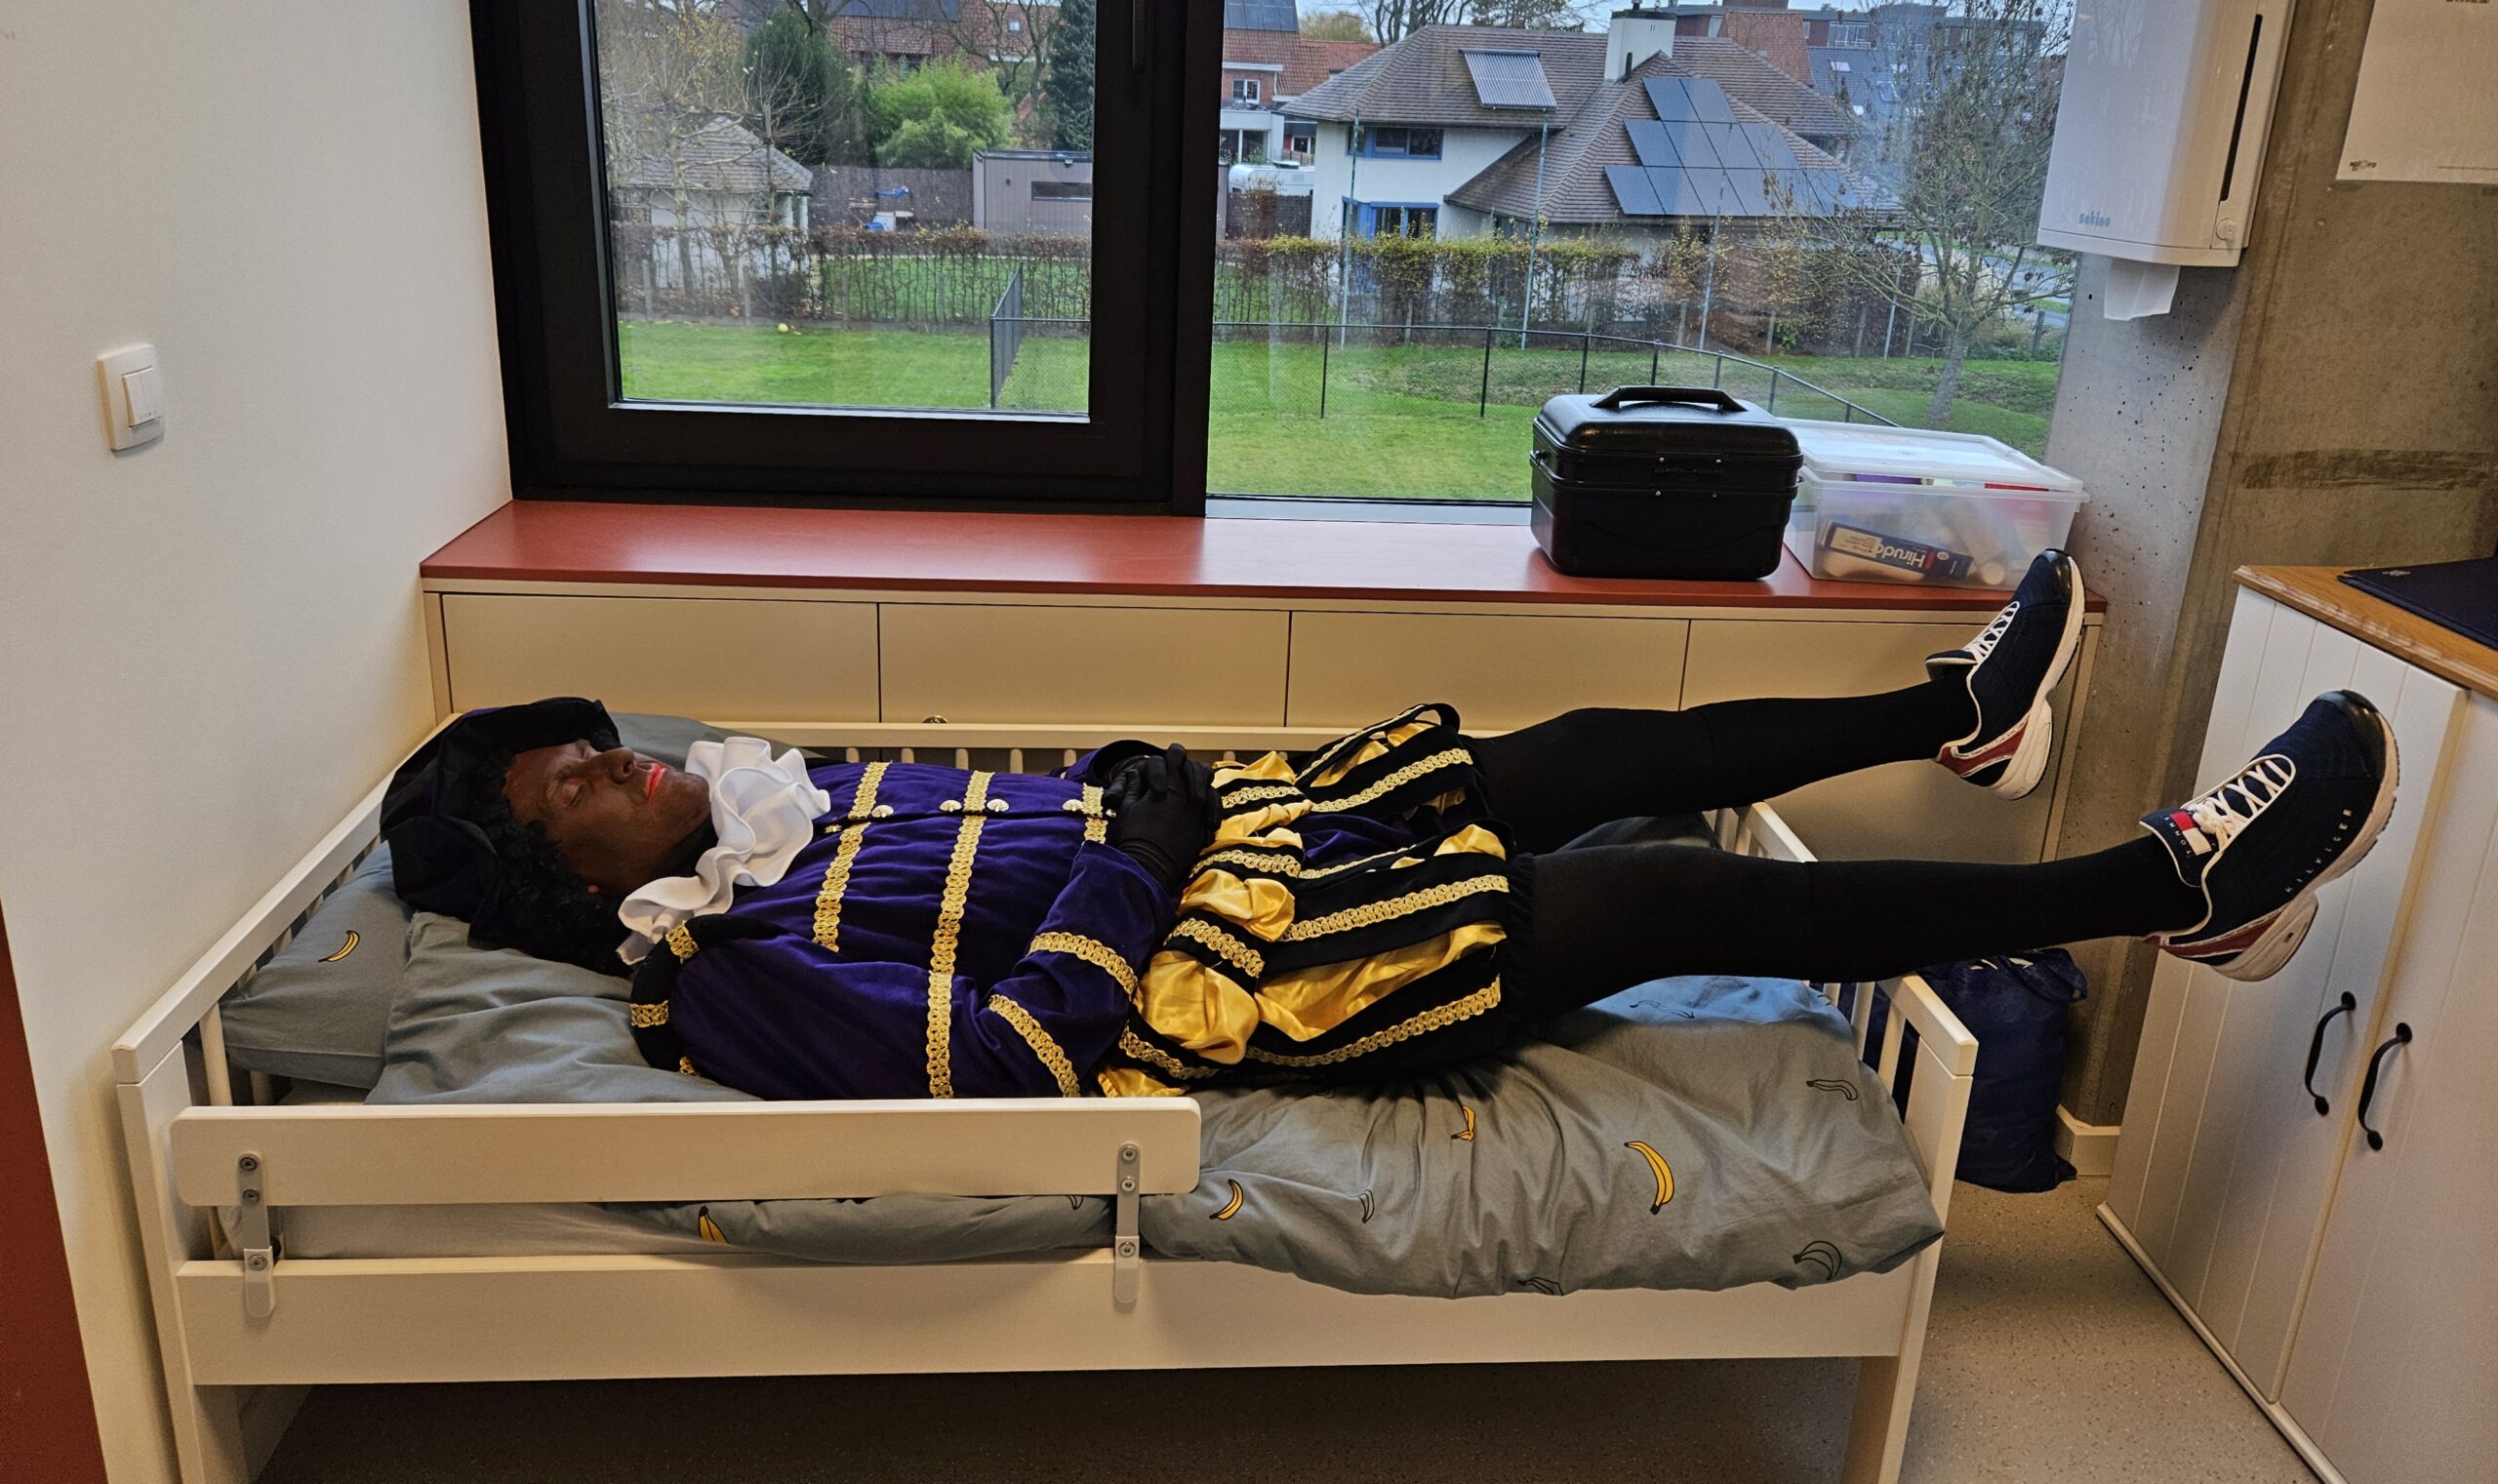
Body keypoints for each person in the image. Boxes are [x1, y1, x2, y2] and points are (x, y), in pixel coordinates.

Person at [382, 551, 2397, 1101]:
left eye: (600, 747)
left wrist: (1133, 798)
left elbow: (1012, 819)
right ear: (572, 881)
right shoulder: (722, 973)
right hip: (1247, 979)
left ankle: (1953, 718)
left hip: (1240, 838)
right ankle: (2173, 887)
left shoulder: (772, 799)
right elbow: (1008, 1063)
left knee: (1591, 741)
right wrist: (1136, 851)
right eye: (585, 788)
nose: (626, 762)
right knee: (1663, 893)